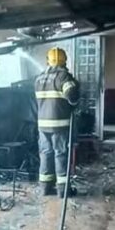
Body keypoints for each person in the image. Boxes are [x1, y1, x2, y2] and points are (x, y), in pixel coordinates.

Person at [35, 47, 80, 197]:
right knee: (60, 154)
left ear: (48, 61)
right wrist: (75, 91)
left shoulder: (39, 78)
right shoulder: (63, 77)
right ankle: (63, 190)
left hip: (42, 125)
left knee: (45, 154)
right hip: (59, 124)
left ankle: (45, 188)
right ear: (64, 61)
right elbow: (72, 96)